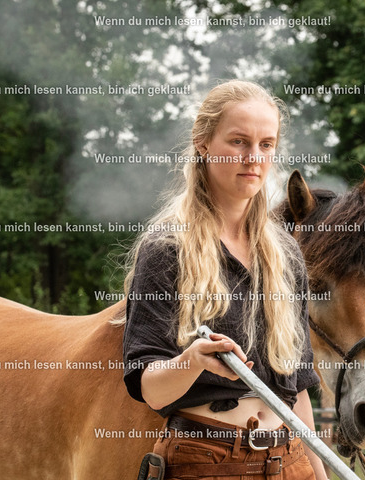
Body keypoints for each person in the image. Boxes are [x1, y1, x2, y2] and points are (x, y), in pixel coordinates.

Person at [122, 79, 327, 480]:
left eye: (266, 145)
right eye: (238, 142)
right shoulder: (167, 248)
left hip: (289, 460)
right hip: (207, 461)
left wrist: (319, 473)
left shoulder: (286, 255)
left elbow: (297, 388)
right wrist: (191, 361)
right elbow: (150, 390)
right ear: (203, 144)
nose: (254, 158)